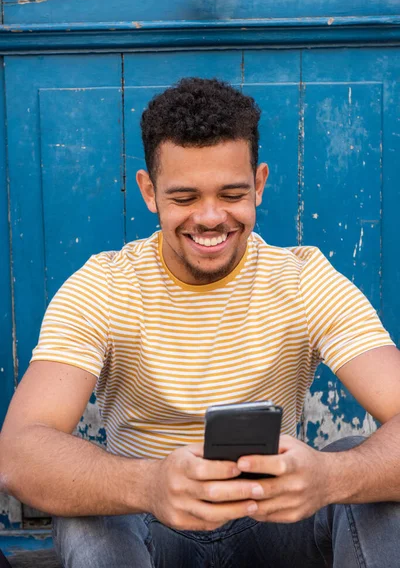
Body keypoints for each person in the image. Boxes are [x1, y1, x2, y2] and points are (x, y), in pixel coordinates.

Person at [1, 78, 400, 568]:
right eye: (185, 197)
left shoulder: (303, 279)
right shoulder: (103, 286)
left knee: (365, 467)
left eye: (232, 193)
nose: (210, 218)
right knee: (87, 512)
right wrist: (148, 484)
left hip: (276, 524)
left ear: (259, 184)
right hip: (148, 524)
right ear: (149, 191)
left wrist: (332, 476)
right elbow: (18, 451)